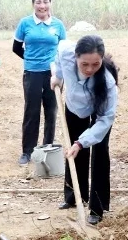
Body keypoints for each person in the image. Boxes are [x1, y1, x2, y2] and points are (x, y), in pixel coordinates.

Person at [50, 36, 119, 225]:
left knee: (99, 151)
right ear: (76, 57)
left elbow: (105, 119)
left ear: (102, 59)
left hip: (100, 112)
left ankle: (97, 207)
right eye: (84, 64)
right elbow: (58, 55)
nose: (89, 69)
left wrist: (81, 143)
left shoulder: (107, 83)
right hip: (74, 106)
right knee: (72, 150)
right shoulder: (66, 52)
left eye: (95, 64)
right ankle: (74, 196)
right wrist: (58, 77)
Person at [13, 0, 67, 166]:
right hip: (32, 73)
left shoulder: (58, 25)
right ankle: (27, 151)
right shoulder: (25, 23)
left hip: (53, 74)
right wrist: (31, 59)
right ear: (33, 4)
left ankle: (47, 147)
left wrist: (58, 70)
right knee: (32, 111)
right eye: (38, 2)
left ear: (50, 3)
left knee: (51, 111)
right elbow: (16, 47)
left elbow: (63, 49)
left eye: (45, 2)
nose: (42, 6)